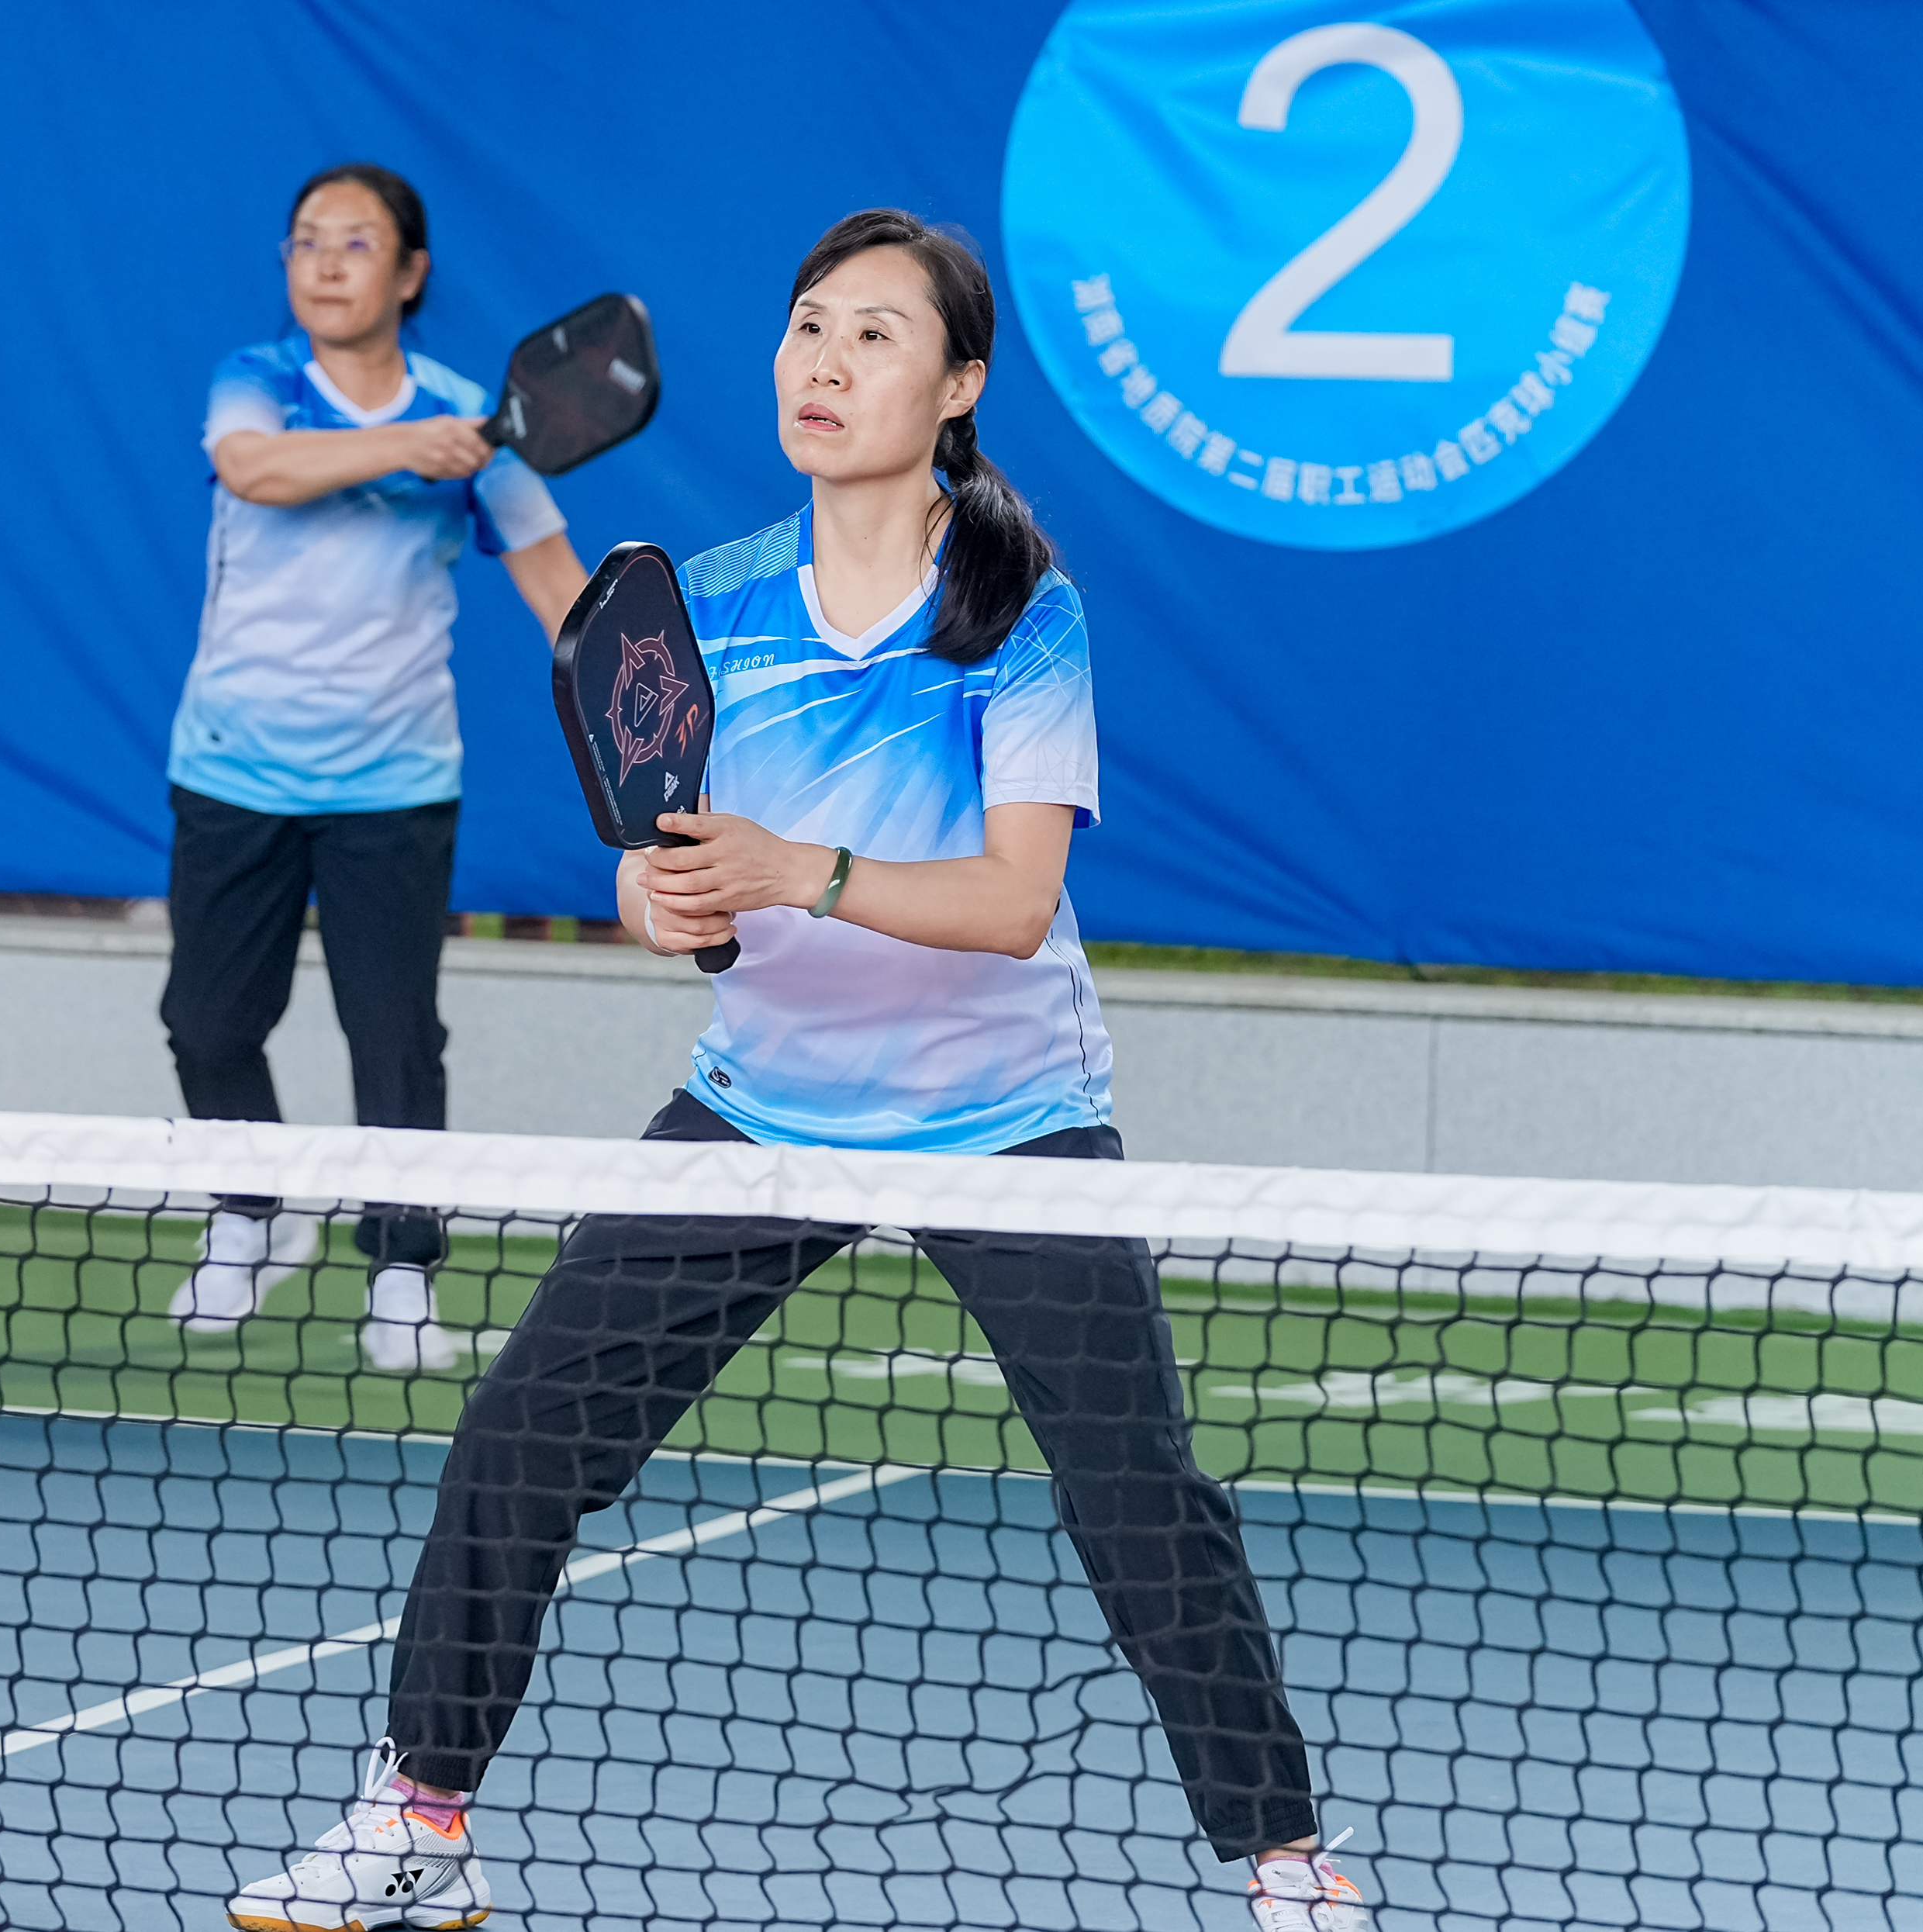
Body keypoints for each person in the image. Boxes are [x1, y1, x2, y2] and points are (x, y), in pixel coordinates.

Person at [223, 211, 1378, 1932]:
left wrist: (795, 871)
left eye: (873, 337)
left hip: (1005, 1122)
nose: (823, 366)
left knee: (1138, 1495)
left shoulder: (1020, 612)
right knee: (520, 1440)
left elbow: (1012, 902)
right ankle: (421, 1817)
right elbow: (664, 874)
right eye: (807, 327)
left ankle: (1289, 1863)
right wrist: (665, 897)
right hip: (761, 1104)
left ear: (958, 384)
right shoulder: (703, 601)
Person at [163, 163, 588, 1375]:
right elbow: (254, 469)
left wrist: (644, 715)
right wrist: (409, 447)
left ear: (409, 273)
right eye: (306, 240)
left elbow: (558, 591)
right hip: (232, 771)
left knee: (394, 1039)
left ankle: (402, 1269)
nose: (325, 262)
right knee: (205, 1026)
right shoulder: (257, 381)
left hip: (393, 785)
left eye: (355, 243)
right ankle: (251, 1210)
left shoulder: (472, 424)